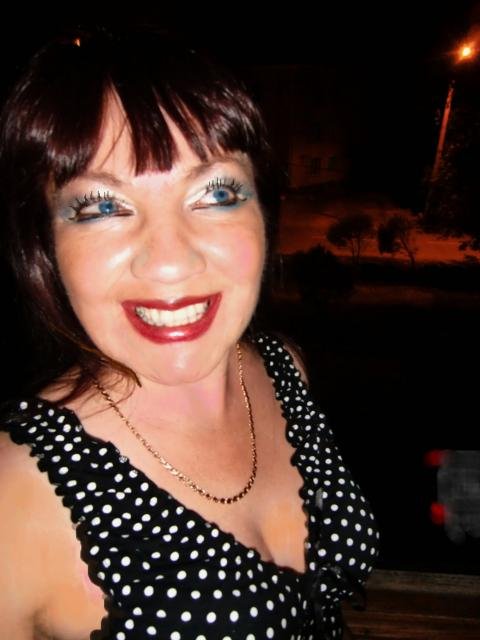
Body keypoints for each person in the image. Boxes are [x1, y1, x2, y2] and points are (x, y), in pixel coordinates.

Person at [0, 26, 378, 640]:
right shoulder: (15, 492)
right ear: (46, 245)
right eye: (102, 207)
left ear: (263, 211)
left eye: (216, 193)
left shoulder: (284, 368)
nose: (171, 263)